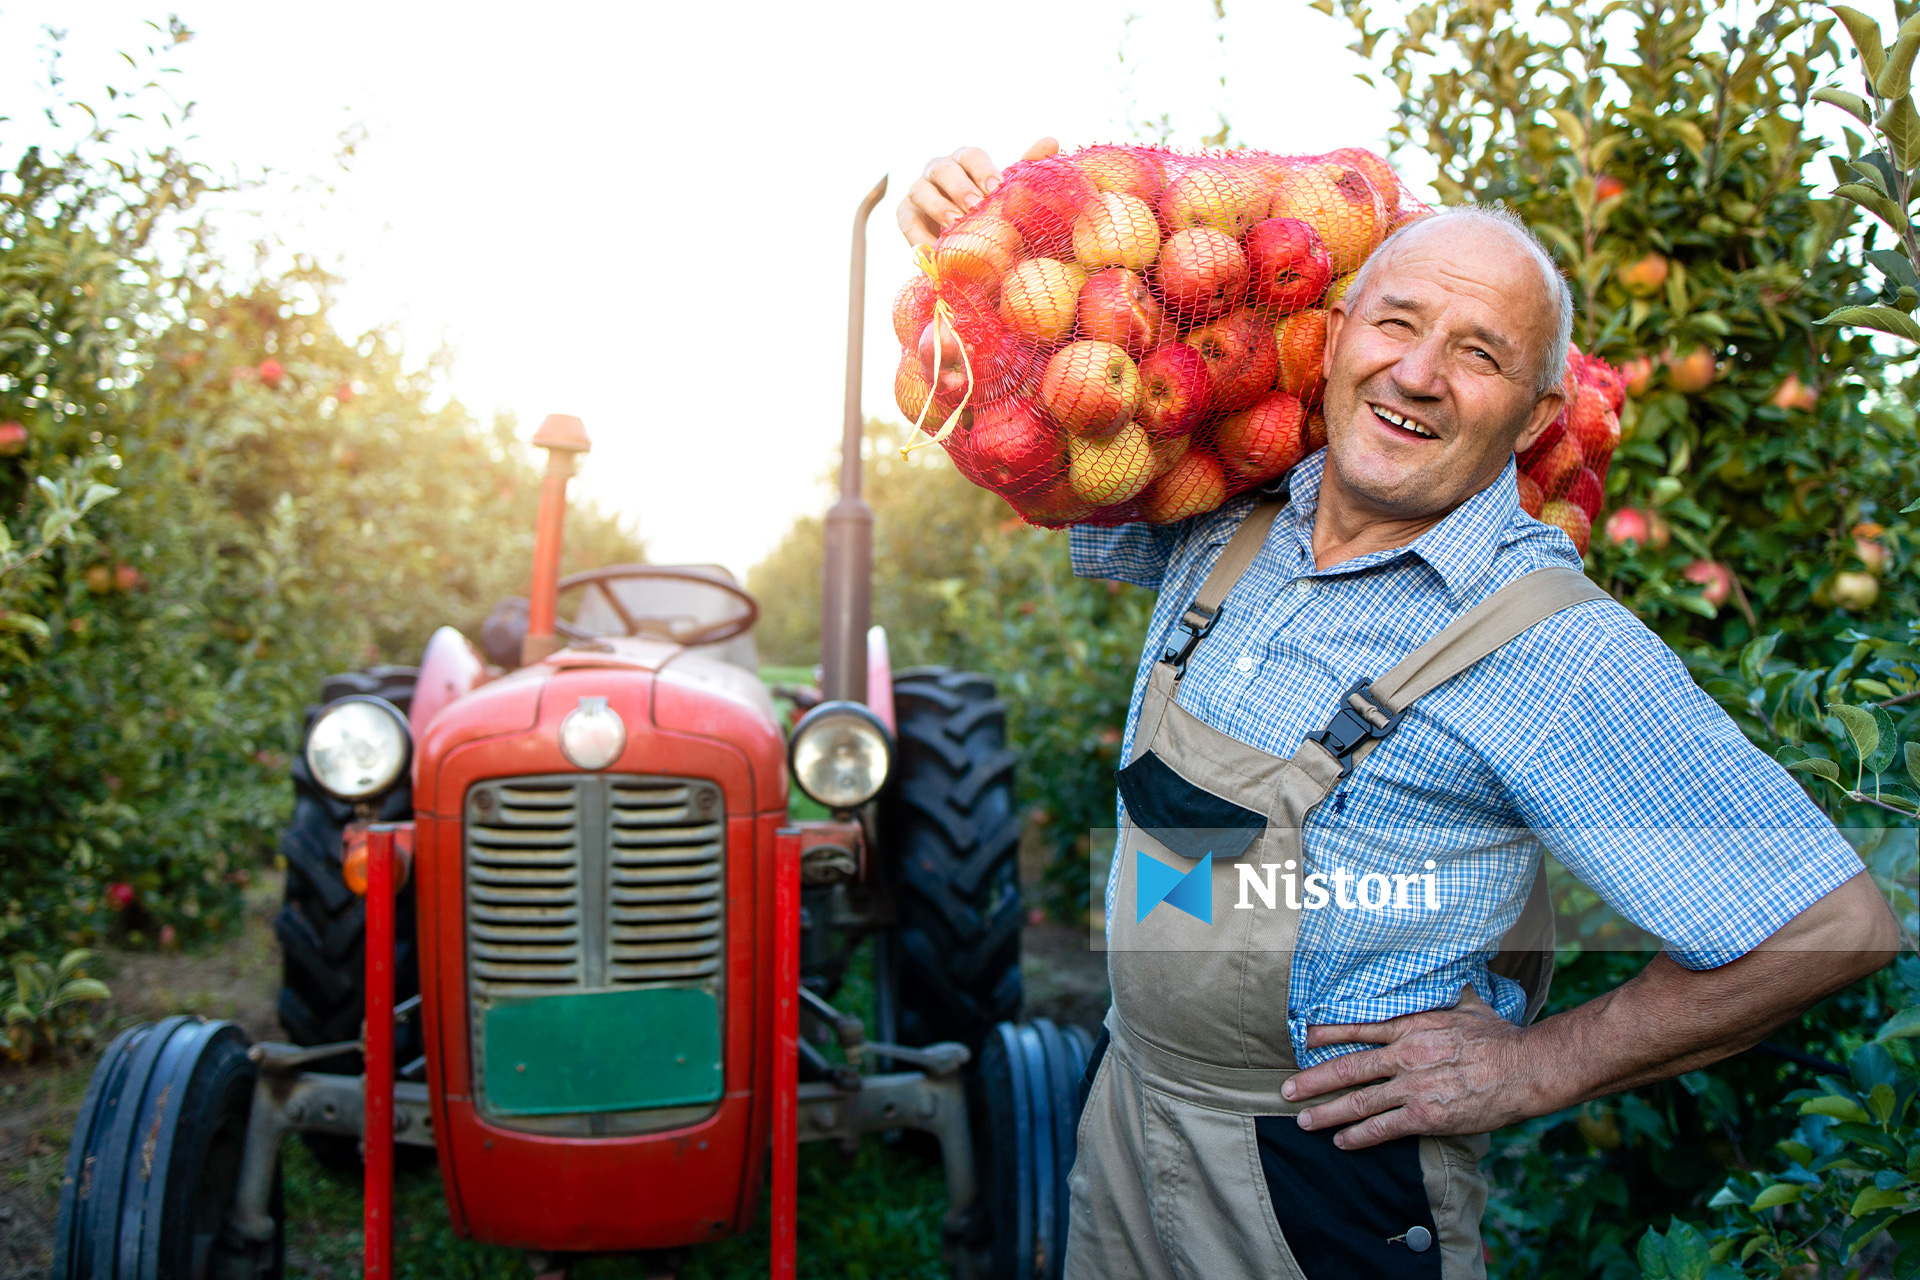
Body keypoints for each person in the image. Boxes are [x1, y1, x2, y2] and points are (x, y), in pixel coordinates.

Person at [898, 142, 1902, 1280]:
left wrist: (1540, 1065)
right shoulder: (1222, 514)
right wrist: (966, 243)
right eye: (1396, 323)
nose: (1418, 374)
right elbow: (1025, 422)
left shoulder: (1552, 648)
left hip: (1320, 1185)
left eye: (1479, 354)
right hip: (1128, 1111)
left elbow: (1831, 924)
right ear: (1328, 346)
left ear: (1532, 419)